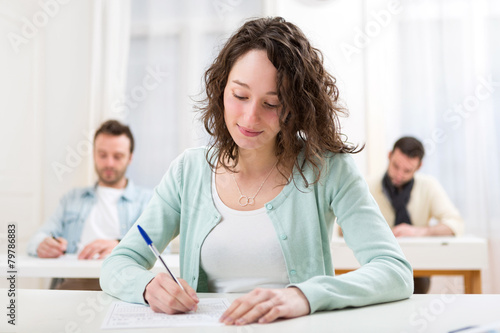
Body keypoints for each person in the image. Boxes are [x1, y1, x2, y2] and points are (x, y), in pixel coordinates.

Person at [100, 17, 413, 325]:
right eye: (240, 96)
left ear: (295, 107)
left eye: (272, 104)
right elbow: (119, 263)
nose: (250, 118)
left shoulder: (329, 168)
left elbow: (394, 271)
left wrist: (306, 296)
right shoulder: (188, 171)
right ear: (222, 90)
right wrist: (147, 287)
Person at [27, 120, 152, 289]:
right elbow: (37, 238)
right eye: (102, 155)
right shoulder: (72, 198)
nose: (109, 163)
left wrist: (120, 244)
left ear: (130, 158)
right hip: (73, 283)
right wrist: (42, 245)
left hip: (126, 285)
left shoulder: (146, 200)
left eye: (117, 156)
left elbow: (159, 247)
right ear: (93, 154)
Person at [368, 136, 464, 293]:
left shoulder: (428, 186)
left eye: (407, 171)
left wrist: (419, 232)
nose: (399, 175)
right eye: (395, 166)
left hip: (417, 268)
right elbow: (343, 228)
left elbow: (455, 223)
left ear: (419, 166)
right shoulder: (368, 186)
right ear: (389, 156)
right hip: (376, 265)